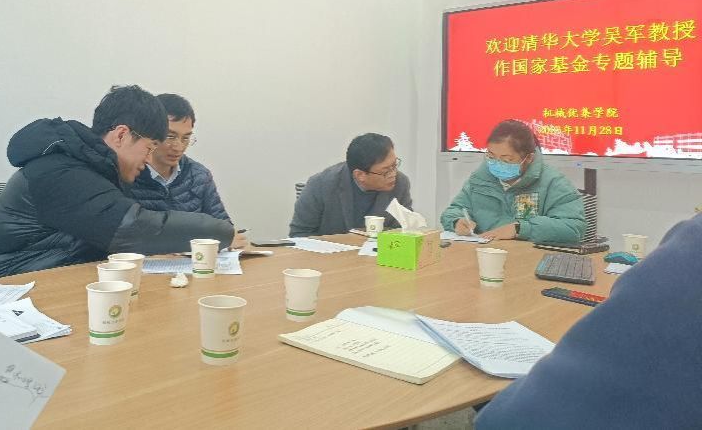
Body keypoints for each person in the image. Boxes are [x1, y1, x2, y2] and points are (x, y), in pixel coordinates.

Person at [0, 85, 234, 281]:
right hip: (10, 291)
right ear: (121, 135)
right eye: (149, 147)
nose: (148, 159)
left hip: (57, 281)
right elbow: (136, 229)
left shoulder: (95, 170)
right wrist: (222, 233)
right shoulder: (61, 171)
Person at [476, 213, 702, 429]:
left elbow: (572, 228)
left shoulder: (690, 256)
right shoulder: (479, 185)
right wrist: (459, 220)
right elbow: (457, 211)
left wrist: (520, 228)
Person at [125, 93, 246, 249]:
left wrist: (228, 238)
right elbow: (124, 238)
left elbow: (225, 230)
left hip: (194, 261)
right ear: (150, 133)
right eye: (170, 136)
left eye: (186, 138)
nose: (178, 147)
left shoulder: (199, 175)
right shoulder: (128, 175)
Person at [440, 119, 584, 244]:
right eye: (491, 156)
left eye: (507, 160)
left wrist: (520, 229)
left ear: (528, 158)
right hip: (484, 254)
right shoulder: (480, 179)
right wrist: (456, 221)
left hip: (529, 259)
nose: (497, 164)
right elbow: (454, 210)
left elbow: (573, 228)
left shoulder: (553, 182)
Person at [289, 133, 412, 236]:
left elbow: (404, 230)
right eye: (386, 171)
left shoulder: (400, 184)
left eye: (394, 165)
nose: (393, 174)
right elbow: (299, 235)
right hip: (328, 256)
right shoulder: (321, 185)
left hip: (378, 254)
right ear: (360, 175)